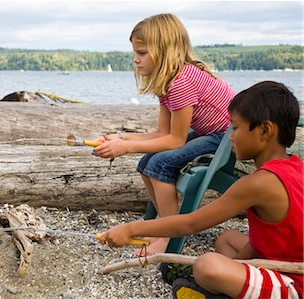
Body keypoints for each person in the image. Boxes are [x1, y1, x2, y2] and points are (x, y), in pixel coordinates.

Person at [99, 81, 303, 298]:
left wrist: (131, 229)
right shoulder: (295, 166)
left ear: (265, 130)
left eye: (235, 127)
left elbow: (191, 223)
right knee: (227, 239)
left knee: (207, 266)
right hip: (281, 259)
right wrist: (237, 268)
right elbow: (263, 238)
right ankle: (234, 288)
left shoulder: (259, 182)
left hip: (294, 283)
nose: (231, 136)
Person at [93, 13, 235, 255]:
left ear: (165, 51)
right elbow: (162, 132)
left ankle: (169, 235)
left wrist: (125, 147)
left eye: (142, 53)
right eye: (135, 53)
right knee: (146, 162)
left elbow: (175, 140)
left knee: (160, 164)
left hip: (227, 138)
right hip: (210, 132)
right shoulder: (167, 82)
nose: (136, 60)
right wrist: (122, 139)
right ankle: (160, 226)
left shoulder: (181, 82)